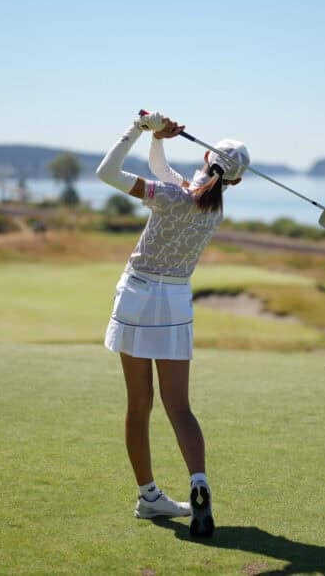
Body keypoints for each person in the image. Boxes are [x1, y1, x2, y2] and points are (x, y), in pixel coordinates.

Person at [96, 110, 250, 539]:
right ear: (235, 181)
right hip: (176, 303)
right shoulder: (213, 209)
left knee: (138, 405)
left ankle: (148, 496)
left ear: (205, 156)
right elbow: (164, 171)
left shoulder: (169, 196)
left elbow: (106, 173)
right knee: (179, 407)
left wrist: (138, 128)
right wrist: (159, 139)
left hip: (137, 296)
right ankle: (198, 482)